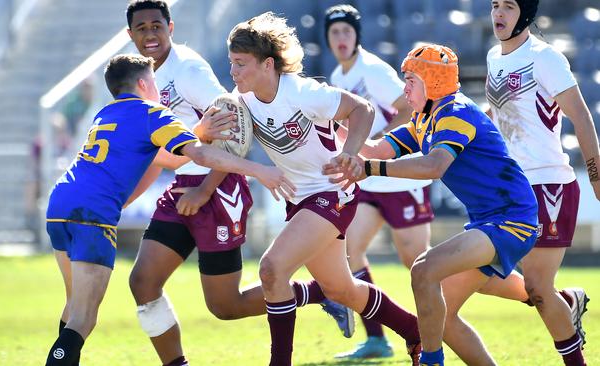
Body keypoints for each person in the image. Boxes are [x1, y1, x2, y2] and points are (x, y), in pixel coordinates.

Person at [123, 2, 349, 365]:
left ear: (171, 27)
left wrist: (205, 189)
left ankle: (321, 292)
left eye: (156, 25)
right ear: (130, 35)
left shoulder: (189, 70)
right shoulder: (146, 77)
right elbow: (159, 151)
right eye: (142, 28)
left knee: (226, 306)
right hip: (183, 190)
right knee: (143, 283)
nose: (150, 34)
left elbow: (233, 125)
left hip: (217, 190)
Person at [43, 53, 294, 366]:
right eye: (155, 82)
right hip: (93, 215)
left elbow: (170, 159)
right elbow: (200, 156)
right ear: (144, 83)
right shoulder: (152, 113)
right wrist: (258, 170)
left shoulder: (104, 115)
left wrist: (197, 132)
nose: (159, 90)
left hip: (60, 204)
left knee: (73, 307)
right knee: (85, 318)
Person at [324, 43, 540, 366]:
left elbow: (433, 166)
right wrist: (326, 120)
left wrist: (365, 170)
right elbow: (376, 149)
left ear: (434, 82)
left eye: (411, 80)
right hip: (489, 221)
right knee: (444, 318)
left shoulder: (455, 113)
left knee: (423, 270)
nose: (404, 87)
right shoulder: (426, 118)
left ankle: (429, 362)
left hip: (511, 220)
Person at [228, 12, 423, 366]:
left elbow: (361, 109)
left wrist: (350, 155)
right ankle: (416, 332)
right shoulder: (240, 100)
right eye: (231, 63)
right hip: (300, 200)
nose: (234, 72)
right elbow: (214, 139)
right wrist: (205, 131)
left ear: (267, 64)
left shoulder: (303, 91)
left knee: (272, 269)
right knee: (340, 289)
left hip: (332, 193)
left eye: (241, 64)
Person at [486, 0, 598, 364]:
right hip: (509, 187)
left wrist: (597, 178)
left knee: (535, 287)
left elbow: (581, 118)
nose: (498, 14)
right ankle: (566, 303)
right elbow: (497, 116)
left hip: (548, 186)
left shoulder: (545, 58)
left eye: (509, 6)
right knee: (474, 273)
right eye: (494, 5)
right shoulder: (493, 58)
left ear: (527, 14)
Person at [323, 5, 433, 358]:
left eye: (346, 32)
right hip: (368, 181)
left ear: (357, 36)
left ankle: (441, 330)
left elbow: (407, 109)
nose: (341, 38)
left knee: (420, 265)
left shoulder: (372, 70)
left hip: (400, 179)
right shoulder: (338, 77)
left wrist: (376, 147)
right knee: (349, 251)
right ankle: (377, 339)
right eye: (334, 32)